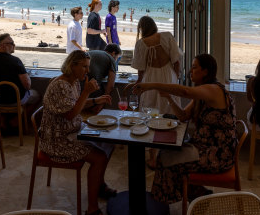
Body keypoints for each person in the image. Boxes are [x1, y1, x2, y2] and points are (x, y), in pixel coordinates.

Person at [133, 54, 237, 204]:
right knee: (166, 154)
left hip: (218, 154)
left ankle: (163, 201)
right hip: (204, 147)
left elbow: (185, 92)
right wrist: (169, 97)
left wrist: (151, 85)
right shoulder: (202, 94)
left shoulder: (215, 90)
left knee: (166, 159)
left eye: (194, 67)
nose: (190, 71)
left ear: (206, 71)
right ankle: (198, 195)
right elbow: (183, 116)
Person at [40, 50, 114, 215]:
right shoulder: (60, 85)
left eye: (88, 67)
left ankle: (100, 185)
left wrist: (96, 99)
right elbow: (70, 114)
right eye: (84, 67)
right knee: (99, 157)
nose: (87, 71)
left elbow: (76, 105)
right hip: (57, 139)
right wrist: (88, 92)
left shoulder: (74, 81)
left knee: (108, 143)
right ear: (71, 65)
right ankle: (92, 209)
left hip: (74, 131)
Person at [132, 15, 181, 168]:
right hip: (168, 76)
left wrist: (139, 84)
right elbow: (176, 61)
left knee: (150, 111)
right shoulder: (167, 36)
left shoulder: (141, 44)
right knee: (169, 110)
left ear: (142, 28)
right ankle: (170, 149)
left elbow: (141, 70)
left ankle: (152, 156)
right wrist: (176, 79)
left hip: (151, 78)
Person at [86, 44, 122, 112]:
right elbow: (111, 85)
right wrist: (103, 102)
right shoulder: (111, 59)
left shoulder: (96, 52)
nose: (116, 60)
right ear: (114, 53)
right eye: (117, 57)